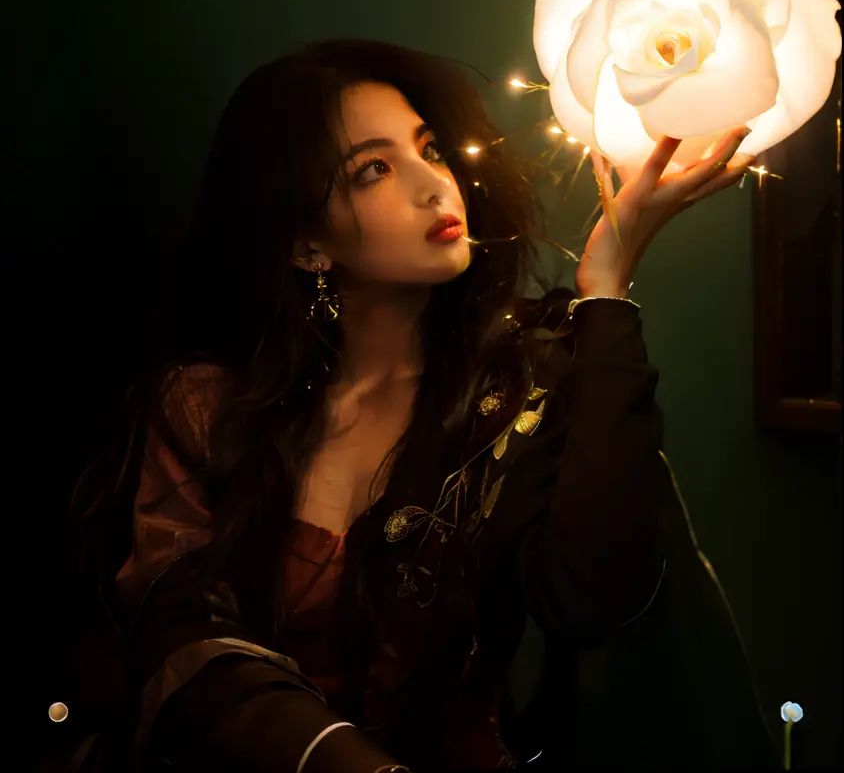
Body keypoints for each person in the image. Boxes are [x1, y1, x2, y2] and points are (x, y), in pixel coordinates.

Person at [66, 38, 758, 773]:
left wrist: (609, 285)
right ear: (306, 245)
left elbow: (593, 599)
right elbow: (174, 638)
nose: (436, 185)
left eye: (429, 148)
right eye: (374, 169)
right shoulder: (208, 406)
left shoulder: (522, 388)